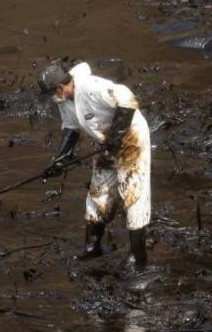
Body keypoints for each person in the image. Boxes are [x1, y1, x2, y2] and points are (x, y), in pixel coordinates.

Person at [38, 60, 151, 270]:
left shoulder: (91, 86)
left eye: (52, 94)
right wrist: (58, 161)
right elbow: (71, 130)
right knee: (98, 191)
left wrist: (117, 134)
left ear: (59, 87)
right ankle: (92, 248)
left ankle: (138, 256)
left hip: (131, 138)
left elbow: (126, 97)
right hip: (107, 143)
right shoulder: (65, 101)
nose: (52, 99)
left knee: (133, 193)